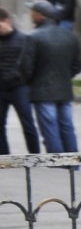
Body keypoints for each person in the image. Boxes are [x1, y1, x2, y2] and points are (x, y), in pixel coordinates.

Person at [27, 0, 81, 153]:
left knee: (50, 128)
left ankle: (56, 161)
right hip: (64, 89)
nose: (31, 15)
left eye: (33, 12)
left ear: (40, 15)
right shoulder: (70, 36)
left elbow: (26, 67)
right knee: (67, 126)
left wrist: (32, 81)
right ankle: (72, 160)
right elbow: (78, 64)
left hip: (42, 91)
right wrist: (65, 75)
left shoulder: (33, 37)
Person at [0, 8, 42, 155]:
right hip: (1, 88)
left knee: (28, 124)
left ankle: (34, 155)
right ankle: (4, 156)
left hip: (19, 88)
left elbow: (30, 64)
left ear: (7, 21)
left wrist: (21, 79)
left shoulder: (24, 39)